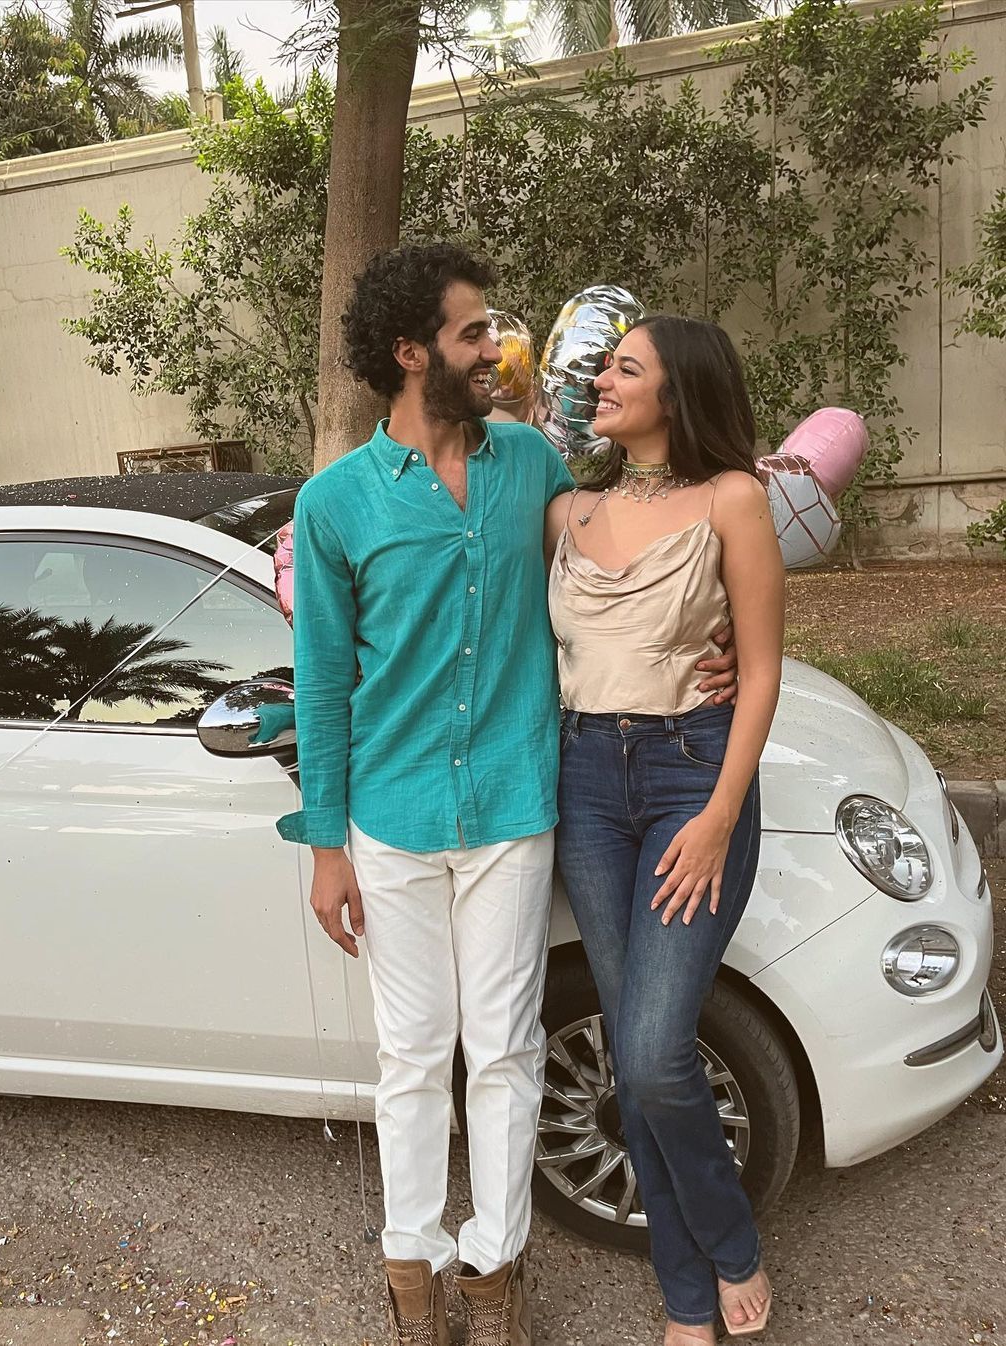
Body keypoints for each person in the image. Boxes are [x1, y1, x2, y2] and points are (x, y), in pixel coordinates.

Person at [278, 245, 739, 1346]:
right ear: (411, 352)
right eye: (474, 332)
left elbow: (624, 553)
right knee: (411, 1052)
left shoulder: (531, 463)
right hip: (391, 816)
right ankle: (412, 1267)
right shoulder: (334, 503)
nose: (498, 347)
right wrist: (327, 844)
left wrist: (711, 637)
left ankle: (492, 1267)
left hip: (514, 805)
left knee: (504, 1047)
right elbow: (322, 683)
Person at [546, 315, 784, 1345]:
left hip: (694, 776)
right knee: (630, 1050)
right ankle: (688, 1293)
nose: (602, 377)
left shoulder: (733, 498)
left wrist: (721, 814)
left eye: (625, 367)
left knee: (650, 1055)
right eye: (604, 364)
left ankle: (730, 1244)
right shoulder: (567, 510)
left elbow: (761, 670)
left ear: (676, 393)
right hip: (586, 780)